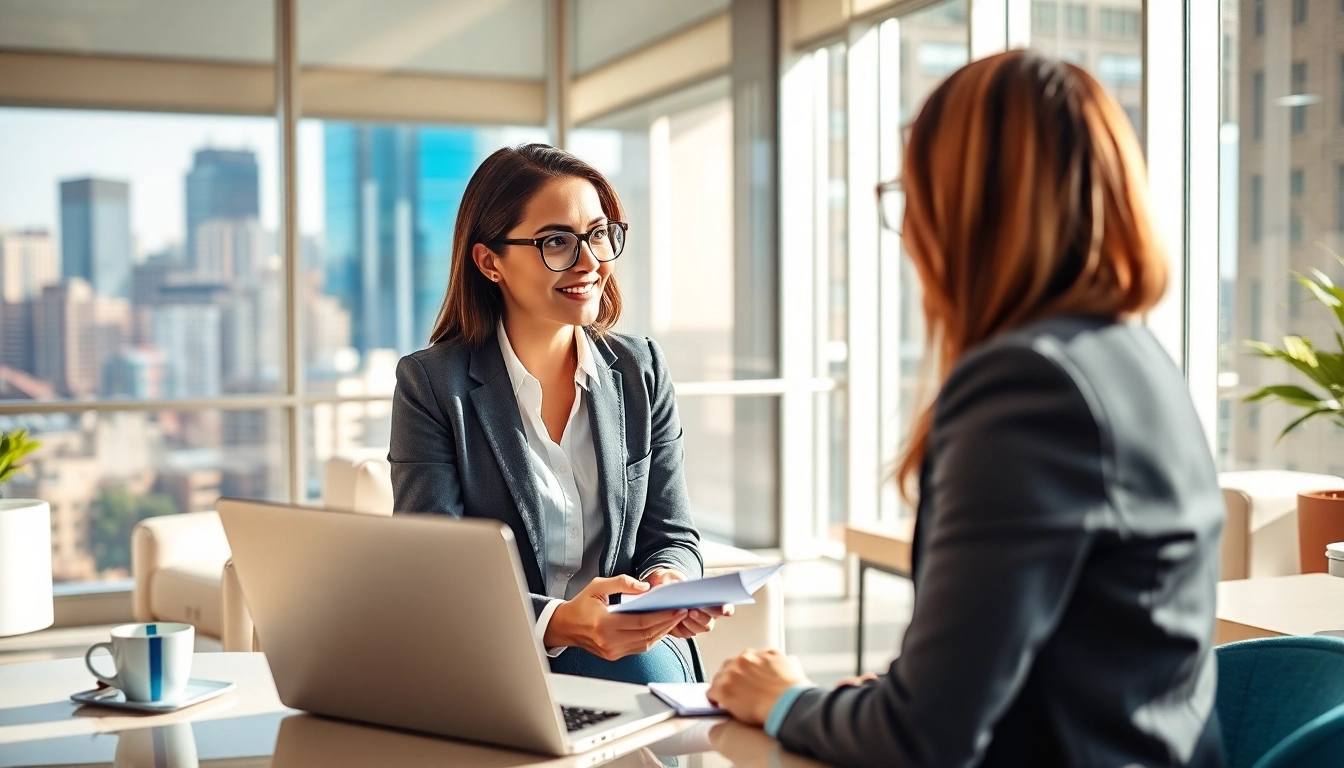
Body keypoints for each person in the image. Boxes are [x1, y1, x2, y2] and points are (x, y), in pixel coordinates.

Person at [707, 50, 1225, 767]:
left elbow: (925, 738)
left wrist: (787, 699)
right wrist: (888, 698)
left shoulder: (1028, 387)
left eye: (911, 194)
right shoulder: (1132, 358)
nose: (910, 232)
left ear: (966, 208)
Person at [389, 144, 730, 685]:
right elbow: (436, 574)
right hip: (497, 654)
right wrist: (559, 621)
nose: (590, 262)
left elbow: (673, 534)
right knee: (641, 677)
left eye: (598, 234)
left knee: (642, 669)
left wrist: (669, 580)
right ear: (489, 262)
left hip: (631, 647)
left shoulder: (640, 370)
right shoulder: (432, 385)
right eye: (556, 242)